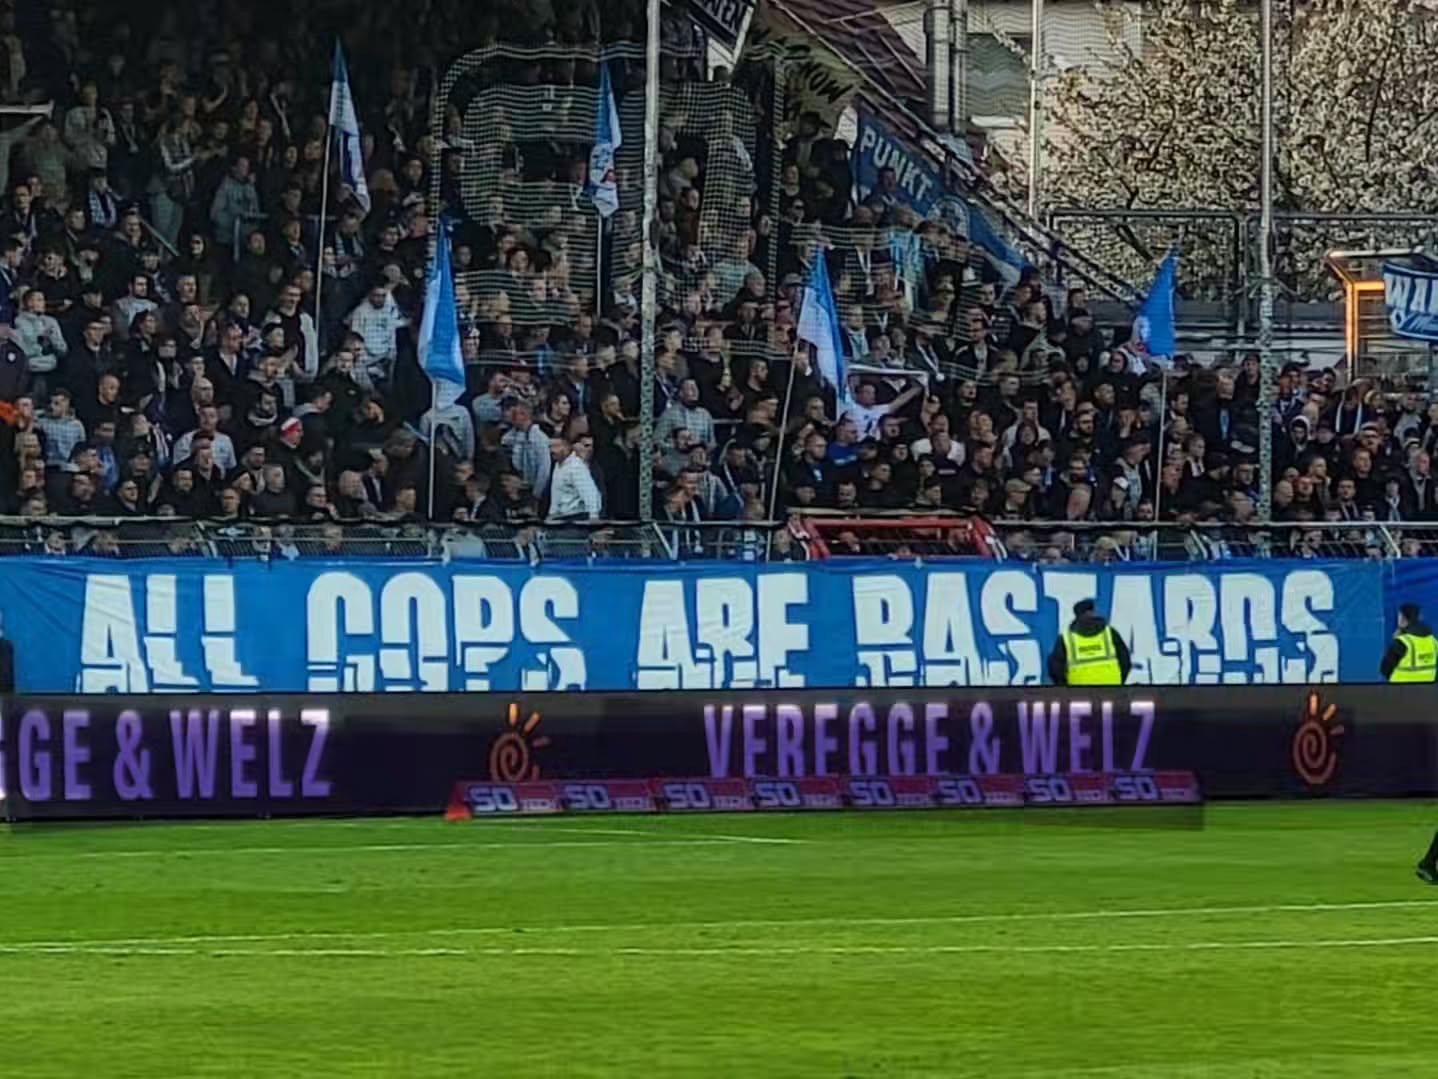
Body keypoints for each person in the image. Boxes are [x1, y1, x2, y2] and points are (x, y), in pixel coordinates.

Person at [1047, 599, 1131, 686]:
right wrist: (1119, 683)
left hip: (1079, 693)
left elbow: (1055, 669)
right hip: (1111, 689)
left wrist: (1066, 689)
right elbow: (1125, 661)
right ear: (1093, 611)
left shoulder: (1066, 639)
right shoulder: (1110, 633)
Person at [1381, 603, 1437, 683]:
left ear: (1403, 619)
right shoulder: (1433, 641)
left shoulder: (1401, 643)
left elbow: (1385, 669)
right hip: (1427, 691)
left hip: (1401, 690)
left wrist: (1397, 640)